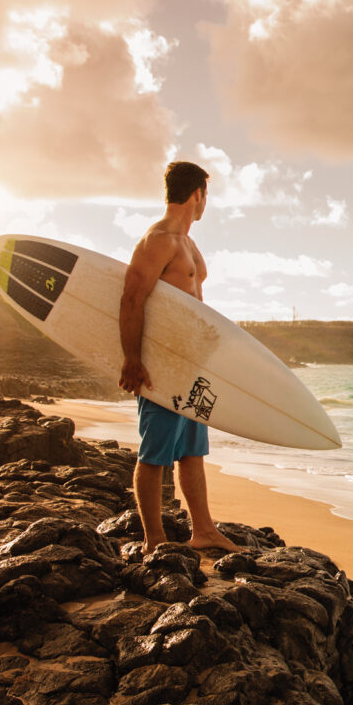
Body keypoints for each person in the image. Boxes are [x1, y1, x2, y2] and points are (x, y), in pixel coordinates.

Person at [118, 160, 244, 555]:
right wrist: (131, 359)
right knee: (154, 453)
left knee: (192, 449)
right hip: (163, 366)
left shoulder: (188, 244)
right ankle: (154, 540)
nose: (206, 203)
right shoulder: (159, 240)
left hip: (191, 367)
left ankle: (203, 530)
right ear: (197, 195)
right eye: (207, 196)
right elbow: (132, 298)